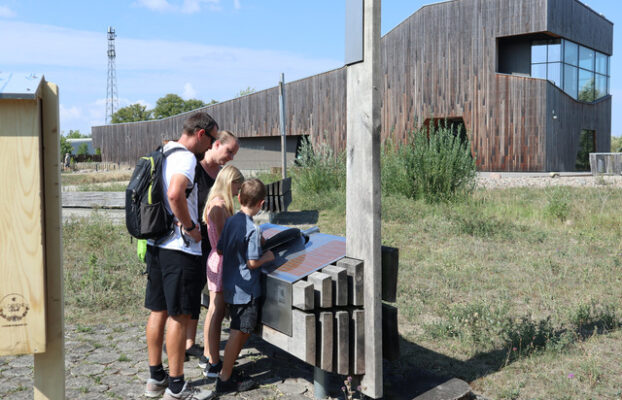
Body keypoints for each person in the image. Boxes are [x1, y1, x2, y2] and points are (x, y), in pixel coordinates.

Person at [143, 111, 217, 400]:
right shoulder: (186, 157)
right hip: (179, 249)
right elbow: (175, 194)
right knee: (179, 315)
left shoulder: (164, 150)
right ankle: (176, 386)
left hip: (157, 245)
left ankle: (155, 379)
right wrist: (190, 227)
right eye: (211, 139)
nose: (210, 146)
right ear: (200, 134)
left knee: (157, 311)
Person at [215, 179, 275, 394]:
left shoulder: (231, 221)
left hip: (231, 286)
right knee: (238, 331)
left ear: (239, 198)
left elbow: (221, 249)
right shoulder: (252, 229)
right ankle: (225, 378)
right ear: (262, 203)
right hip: (246, 291)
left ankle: (228, 369)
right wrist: (267, 255)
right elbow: (252, 262)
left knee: (241, 330)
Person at [185, 131, 240, 360]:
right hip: (197, 240)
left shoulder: (218, 173)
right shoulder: (194, 169)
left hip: (211, 245)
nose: (231, 158)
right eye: (229, 152)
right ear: (216, 144)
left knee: (211, 302)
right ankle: (196, 347)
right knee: (194, 296)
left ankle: (199, 345)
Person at [199, 165, 244, 378]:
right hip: (221, 261)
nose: (239, 191)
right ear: (229, 182)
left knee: (213, 310)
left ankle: (209, 354)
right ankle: (214, 361)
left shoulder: (218, 203)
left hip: (219, 260)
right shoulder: (218, 206)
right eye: (238, 186)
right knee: (216, 311)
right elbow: (224, 241)